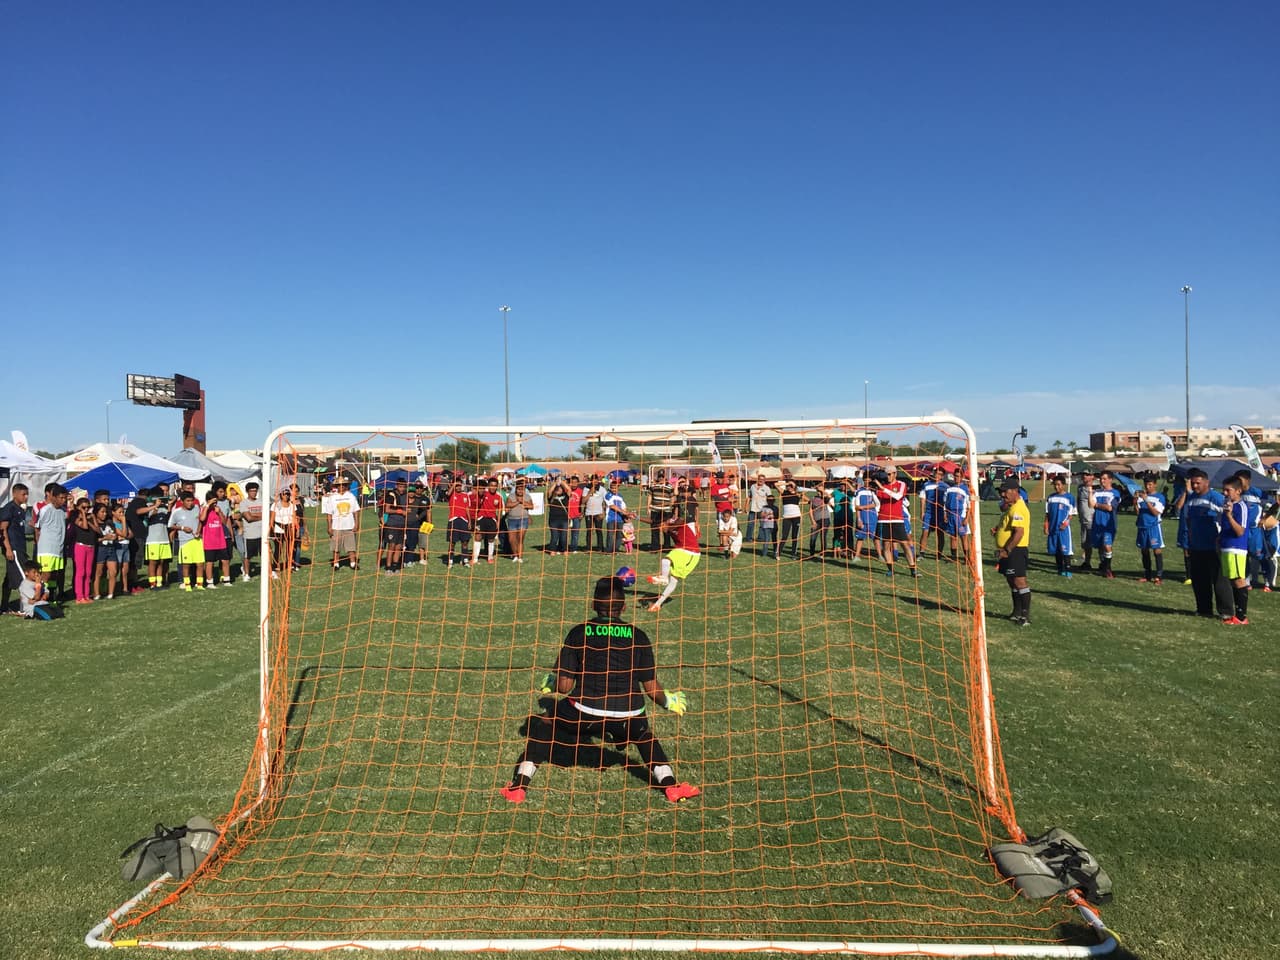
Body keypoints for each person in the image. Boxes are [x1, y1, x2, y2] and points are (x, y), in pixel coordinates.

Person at [499, 575, 700, 805]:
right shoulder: (639, 636)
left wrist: (553, 679)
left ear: (594, 604)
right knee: (644, 736)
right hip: (629, 713)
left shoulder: (579, 632)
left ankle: (519, 787)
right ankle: (671, 786)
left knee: (546, 721)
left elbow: (564, 687)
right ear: (623, 607)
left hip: (585, 711)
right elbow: (652, 690)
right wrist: (668, 701)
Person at [1181, 468, 1224, 619]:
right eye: (1193, 483)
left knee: (1219, 582)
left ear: (1207, 482)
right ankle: (1204, 609)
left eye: (1198, 483)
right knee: (1199, 581)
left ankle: (1224, 611)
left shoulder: (1216, 498)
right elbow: (1188, 519)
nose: (1194, 486)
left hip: (1213, 547)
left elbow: (1227, 518)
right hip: (1196, 547)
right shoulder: (1191, 499)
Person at [992, 476, 1032, 626]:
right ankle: (1016, 612)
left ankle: (1025, 616)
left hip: (1015, 550)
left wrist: (1007, 550)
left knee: (1019, 581)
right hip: (1008, 550)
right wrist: (998, 530)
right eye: (1001, 492)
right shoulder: (1011, 507)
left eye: (1005, 491)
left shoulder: (1018, 508)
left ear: (1015, 491)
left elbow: (1019, 533)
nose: (1002, 495)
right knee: (1011, 581)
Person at [647, 510, 702, 612]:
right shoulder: (667, 524)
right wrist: (636, 518)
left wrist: (669, 527)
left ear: (666, 521)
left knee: (666, 560)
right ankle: (657, 605)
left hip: (691, 552)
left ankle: (664, 577)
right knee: (673, 581)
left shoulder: (676, 522)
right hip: (684, 551)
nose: (660, 529)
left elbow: (681, 519)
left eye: (661, 526)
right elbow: (652, 522)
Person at [873, 468, 917, 577]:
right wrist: (877, 489)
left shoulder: (901, 484)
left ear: (895, 474)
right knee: (886, 545)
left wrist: (884, 489)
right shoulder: (881, 486)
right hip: (883, 519)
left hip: (897, 519)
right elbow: (879, 500)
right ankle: (890, 570)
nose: (887, 476)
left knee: (904, 544)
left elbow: (898, 496)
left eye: (889, 474)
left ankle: (913, 570)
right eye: (886, 474)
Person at [1218, 477, 1250, 625]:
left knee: (1238, 580)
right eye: (1223, 490)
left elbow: (1240, 531)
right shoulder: (1227, 504)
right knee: (1232, 580)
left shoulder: (1241, 507)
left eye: (1228, 490)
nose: (1225, 493)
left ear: (1238, 491)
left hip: (1236, 548)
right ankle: (1236, 614)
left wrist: (1229, 516)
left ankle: (1241, 617)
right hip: (1226, 546)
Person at [33, 483, 69, 602]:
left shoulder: (63, 511)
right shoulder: (45, 510)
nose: (63, 500)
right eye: (61, 498)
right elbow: (37, 528)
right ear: (53, 497)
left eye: (65, 498)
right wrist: (39, 545)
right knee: (46, 575)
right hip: (47, 549)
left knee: (54, 575)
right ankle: (39, 599)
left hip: (58, 549)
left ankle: (51, 599)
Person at [1, 482, 31, 614]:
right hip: (13, 548)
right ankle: (24, 608)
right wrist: (8, 548)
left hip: (20, 547)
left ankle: (4, 606)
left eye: (27, 494)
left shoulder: (20, 509)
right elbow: (3, 529)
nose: (26, 497)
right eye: (23, 494)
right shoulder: (9, 509)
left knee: (9, 578)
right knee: (23, 578)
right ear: (14, 494)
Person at [169, 490, 207, 590]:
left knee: (200, 564)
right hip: (185, 542)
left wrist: (198, 531)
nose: (190, 503)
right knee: (186, 565)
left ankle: (199, 585)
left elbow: (200, 521)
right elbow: (170, 525)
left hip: (197, 541)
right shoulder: (176, 512)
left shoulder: (196, 508)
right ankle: (187, 585)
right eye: (188, 501)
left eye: (191, 501)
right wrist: (182, 528)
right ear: (182, 501)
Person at [1088, 471, 1122, 579]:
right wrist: (1090, 492)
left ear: (1110, 479)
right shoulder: (1097, 492)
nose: (1102, 481)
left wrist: (1097, 505)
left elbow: (1110, 507)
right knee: (1100, 547)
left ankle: (1108, 568)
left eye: (1104, 479)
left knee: (1107, 546)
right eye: (1101, 479)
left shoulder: (1115, 493)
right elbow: (1091, 504)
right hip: (1097, 522)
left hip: (1108, 524)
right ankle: (1103, 566)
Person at [1134, 475, 1167, 584]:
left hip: (1153, 527)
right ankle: (1147, 574)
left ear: (1155, 484)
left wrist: (1146, 500)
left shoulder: (1159, 497)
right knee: (1144, 550)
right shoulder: (1142, 496)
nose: (1147, 487)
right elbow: (1138, 512)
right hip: (1142, 526)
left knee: (1156, 550)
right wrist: (1135, 501)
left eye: (1150, 484)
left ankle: (1159, 576)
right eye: (1146, 484)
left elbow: (1156, 512)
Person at [1043, 475, 1076, 577]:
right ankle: (1060, 569)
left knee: (1065, 549)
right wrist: (1046, 525)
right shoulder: (1051, 497)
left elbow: (1072, 513)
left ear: (1064, 485)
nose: (1056, 487)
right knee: (1056, 549)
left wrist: (1066, 522)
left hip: (1063, 528)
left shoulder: (1069, 497)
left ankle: (1068, 570)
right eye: (1055, 485)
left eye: (1058, 485)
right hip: (1053, 527)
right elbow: (1047, 513)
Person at [326, 478, 361, 571]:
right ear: (336, 486)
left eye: (343, 485)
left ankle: (353, 563)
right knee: (336, 547)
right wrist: (329, 526)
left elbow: (356, 511)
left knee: (351, 546)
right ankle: (336, 564)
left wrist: (357, 523)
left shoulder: (351, 496)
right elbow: (329, 514)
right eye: (339, 485)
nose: (341, 487)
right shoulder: (332, 497)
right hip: (336, 526)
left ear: (346, 486)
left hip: (349, 525)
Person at [142, 486, 173, 589]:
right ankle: (152, 583)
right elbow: (149, 518)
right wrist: (155, 506)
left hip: (164, 539)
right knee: (153, 562)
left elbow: (169, 520)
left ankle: (159, 582)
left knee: (161, 562)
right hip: (152, 540)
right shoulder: (148, 506)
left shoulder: (164, 507)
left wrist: (169, 506)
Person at [200, 491, 232, 588]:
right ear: (208, 501)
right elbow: (202, 519)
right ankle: (210, 582)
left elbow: (224, 522)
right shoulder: (204, 509)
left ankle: (226, 580)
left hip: (220, 540)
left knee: (225, 561)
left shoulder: (217, 510)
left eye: (216, 502)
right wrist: (207, 506)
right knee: (210, 562)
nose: (214, 504)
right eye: (213, 502)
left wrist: (220, 512)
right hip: (209, 542)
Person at [69, 497, 99, 604]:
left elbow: (98, 530)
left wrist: (93, 518)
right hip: (80, 546)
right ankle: (79, 596)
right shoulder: (76, 517)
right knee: (80, 572)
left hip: (91, 546)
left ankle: (86, 595)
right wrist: (82, 514)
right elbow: (85, 527)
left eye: (88, 507)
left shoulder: (90, 517)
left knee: (88, 572)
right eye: (83, 507)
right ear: (78, 507)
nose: (86, 509)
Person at [918, 466, 950, 559]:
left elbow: (947, 501)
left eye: (940, 474)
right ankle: (921, 553)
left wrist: (946, 513)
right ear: (934, 473)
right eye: (936, 473)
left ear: (942, 476)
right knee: (925, 532)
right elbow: (923, 499)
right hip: (928, 513)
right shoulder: (926, 485)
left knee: (940, 533)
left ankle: (939, 554)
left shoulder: (945, 486)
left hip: (940, 513)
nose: (937, 476)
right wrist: (922, 512)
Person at [378, 480, 409, 574]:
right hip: (392, 524)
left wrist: (407, 511)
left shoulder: (406, 495)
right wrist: (400, 511)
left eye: (404, 487)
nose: (402, 488)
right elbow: (387, 510)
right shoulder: (391, 495)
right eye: (400, 486)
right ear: (396, 486)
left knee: (399, 546)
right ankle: (388, 567)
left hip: (402, 524)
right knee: (391, 546)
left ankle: (395, 566)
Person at [504, 478, 534, 563]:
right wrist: (517, 502)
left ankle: (520, 557)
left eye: (522, 489)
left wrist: (523, 502)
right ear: (516, 489)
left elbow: (531, 506)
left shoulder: (527, 497)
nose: (520, 491)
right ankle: (515, 555)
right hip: (512, 520)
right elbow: (507, 505)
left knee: (520, 538)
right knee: (511, 539)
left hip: (523, 519)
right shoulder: (511, 496)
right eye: (519, 489)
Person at [238, 482, 264, 580]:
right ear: (247, 492)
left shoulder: (261, 501)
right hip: (250, 534)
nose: (253, 493)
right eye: (251, 491)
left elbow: (267, 514)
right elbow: (248, 518)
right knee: (248, 556)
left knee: (266, 554)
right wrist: (261, 516)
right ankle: (246, 574)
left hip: (262, 533)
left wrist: (253, 515)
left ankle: (270, 571)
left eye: (255, 491)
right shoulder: (244, 503)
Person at [268, 489, 296, 581]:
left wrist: (295, 528)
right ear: (281, 495)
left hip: (289, 529)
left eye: (288, 494)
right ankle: (275, 567)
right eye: (284, 494)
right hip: (278, 530)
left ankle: (290, 565)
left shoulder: (292, 505)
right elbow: (272, 519)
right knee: (278, 549)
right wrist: (270, 530)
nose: (286, 496)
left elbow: (294, 517)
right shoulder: (275, 505)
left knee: (289, 548)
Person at [944, 476, 973, 564]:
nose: (956, 478)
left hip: (961, 517)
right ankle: (954, 557)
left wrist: (966, 518)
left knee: (964, 537)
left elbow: (969, 505)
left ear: (961, 477)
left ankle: (967, 558)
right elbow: (945, 503)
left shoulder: (965, 489)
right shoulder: (949, 489)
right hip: (951, 516)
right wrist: (945, 514)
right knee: (953, 537)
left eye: (958, 476)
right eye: (955, 476)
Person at [445, 480, 474, 567]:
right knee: (452, 542)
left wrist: (469, 521)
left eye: (459, 485)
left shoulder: (465, 495)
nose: (458, 487)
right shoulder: (451, 494)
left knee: (465, 541)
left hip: (464, 521)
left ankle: (465, 560)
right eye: (456, 485)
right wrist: (453, 485)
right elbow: (448, 494)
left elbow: (467, 508)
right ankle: (450, 561)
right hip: (453, 520)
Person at [647, 470, 676, 550]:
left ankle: (667, 546)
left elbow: (672, 498)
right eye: (659, 476)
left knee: (666, 529)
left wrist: (670, 507)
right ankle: (655, 547)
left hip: (666, 511)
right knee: (654, 529)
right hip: (655, 510)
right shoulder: (653, 486)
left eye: (662, 477)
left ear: (665, 477)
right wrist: (648, 507)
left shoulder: (669, 487)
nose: (661, 478)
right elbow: (650, 497)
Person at [602, 479, 630, 554]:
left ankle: (615, 549)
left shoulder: (620, 496)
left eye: (615, 488)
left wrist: (626, 514)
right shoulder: (608, 495)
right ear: (610, 488)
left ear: (618, 488)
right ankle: (609, 550)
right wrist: (622, 511)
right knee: (610, 535)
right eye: (612, 488)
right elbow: (612, 506)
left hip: (620, 518)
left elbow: (624, 506)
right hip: (611, 518)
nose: (614, 489)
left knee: (619, 535)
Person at [1076, 470, 1097, 570]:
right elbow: (1078, 500)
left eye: (1087, 474)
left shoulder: (1096, 488)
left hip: (1092, 519)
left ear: (1092, 476)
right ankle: (1087, 562)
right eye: (1083, 474)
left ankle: (1103, 564)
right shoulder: (1080, 487)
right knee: (1085, 542)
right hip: (1083, 519)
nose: (1084, 476)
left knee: (1094, 542)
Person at [776, 480, 803, 559]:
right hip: (786, 517)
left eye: (791, 486)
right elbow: (775, 484)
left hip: (796, 517)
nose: (789, 487)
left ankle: (793, 554)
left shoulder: (798, 494)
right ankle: (778, 553)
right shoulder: (784, 492)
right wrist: (788, 483)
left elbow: (808, 501)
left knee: (795, 537)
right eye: (788, 486)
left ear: (794, 486)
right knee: (784, 536)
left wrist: (800, 502)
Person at [545, 479, 571, 555]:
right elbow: (549, 492)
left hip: (564, 520)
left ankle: (564, 550)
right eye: (557, 488)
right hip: (553, 521)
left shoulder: (566, 496)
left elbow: (569, 490)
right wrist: (555, 484)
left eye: (560, 488)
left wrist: (561, 482)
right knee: (554, 536)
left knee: (564, 536)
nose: (559, 489)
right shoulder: (551, 498)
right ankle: (552, 550)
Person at [807, 481, 831, 558]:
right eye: (818, 490)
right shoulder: (813, 498)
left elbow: (829, 496)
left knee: (823, 536)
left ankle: (823, 553)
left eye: (820, 491)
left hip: (825, 519)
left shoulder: (825, 498)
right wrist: (813, 521)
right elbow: (810, 510)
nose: (818, 492)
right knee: (813, 537)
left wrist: (823, 491)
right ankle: (811, 554)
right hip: (816, 521)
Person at [745, 475, 771, 544]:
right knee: (750, 524)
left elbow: (770, 499)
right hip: (753, 509)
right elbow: (749, 497)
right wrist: (746, 506)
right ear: (758, 479)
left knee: (762, 524)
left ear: (764, 481)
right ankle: (748, 538)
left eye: (763, 479)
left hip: (762, 509)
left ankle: (760, 538)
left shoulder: (767, 488)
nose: (761, 480)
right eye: (760, 479)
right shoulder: (752, 486)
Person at [583, 478, 607, 552]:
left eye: (596, 480)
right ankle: (588, 548)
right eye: (593, 480)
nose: (595, 482)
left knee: (599, 531)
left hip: (598, 513)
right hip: (588, 513)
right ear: (591, 481)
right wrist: (589, 492)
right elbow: (583, 501)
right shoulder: (586, 488)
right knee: (589, 531)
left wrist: (604, 512)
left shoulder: (602, 489)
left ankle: (600, 548)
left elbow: (606, 502)